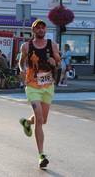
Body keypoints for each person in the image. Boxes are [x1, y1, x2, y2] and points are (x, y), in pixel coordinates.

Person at [18, 19, 61, 169]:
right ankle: (41, 155)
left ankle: (26, 122)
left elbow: (59, 62)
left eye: (43, 28)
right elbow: (21, 61)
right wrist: (22, 70)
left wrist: (54, 61)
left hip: (48, 85)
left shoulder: (52, 45)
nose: (41, 30)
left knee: (43, 120)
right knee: (39, 117)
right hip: (32, 85)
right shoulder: (26, 46)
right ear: (33, 30)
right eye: (38, 28)